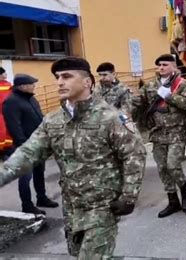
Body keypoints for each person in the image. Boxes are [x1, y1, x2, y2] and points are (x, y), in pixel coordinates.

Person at [0, 57, 146, 259]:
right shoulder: (53, 121)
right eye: (57, 77)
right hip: (71, 207)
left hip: (102, 207)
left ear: (87, 82)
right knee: (77, 254)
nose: (59, 82)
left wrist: (129, 196)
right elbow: (28, 153)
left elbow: (134, 154)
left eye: (67, 76)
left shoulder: (111, 117)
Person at [132, 54, 186, 218]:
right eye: (159, 65)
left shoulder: (182, 84)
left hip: (176, 131)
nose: (161, 68)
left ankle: (184, 190)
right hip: (157, 132)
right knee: (162, 168)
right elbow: (140, 101)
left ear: (174, 67)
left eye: (165, 65)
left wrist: (168, 96)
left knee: (173, 165)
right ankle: (173, 200)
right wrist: (130, 101)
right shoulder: (150, 84)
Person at [3, 74, 59, 214]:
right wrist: (25, 146)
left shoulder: (31, 98)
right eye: (31, 83)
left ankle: (42, 197)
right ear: (22, 86)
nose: (34, 85)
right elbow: (14, 126)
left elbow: (39, 118)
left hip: (38, 143)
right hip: (24, 146)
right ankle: (27, 205)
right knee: (25, 176)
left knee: (39, 172)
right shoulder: (11, 102)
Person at [0, 67, 13, 157]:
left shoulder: (8, 84)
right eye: (5, 73)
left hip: (3, 112)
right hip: (6, 112)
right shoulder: (8, 85)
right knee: (5, 131)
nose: (6, 74)